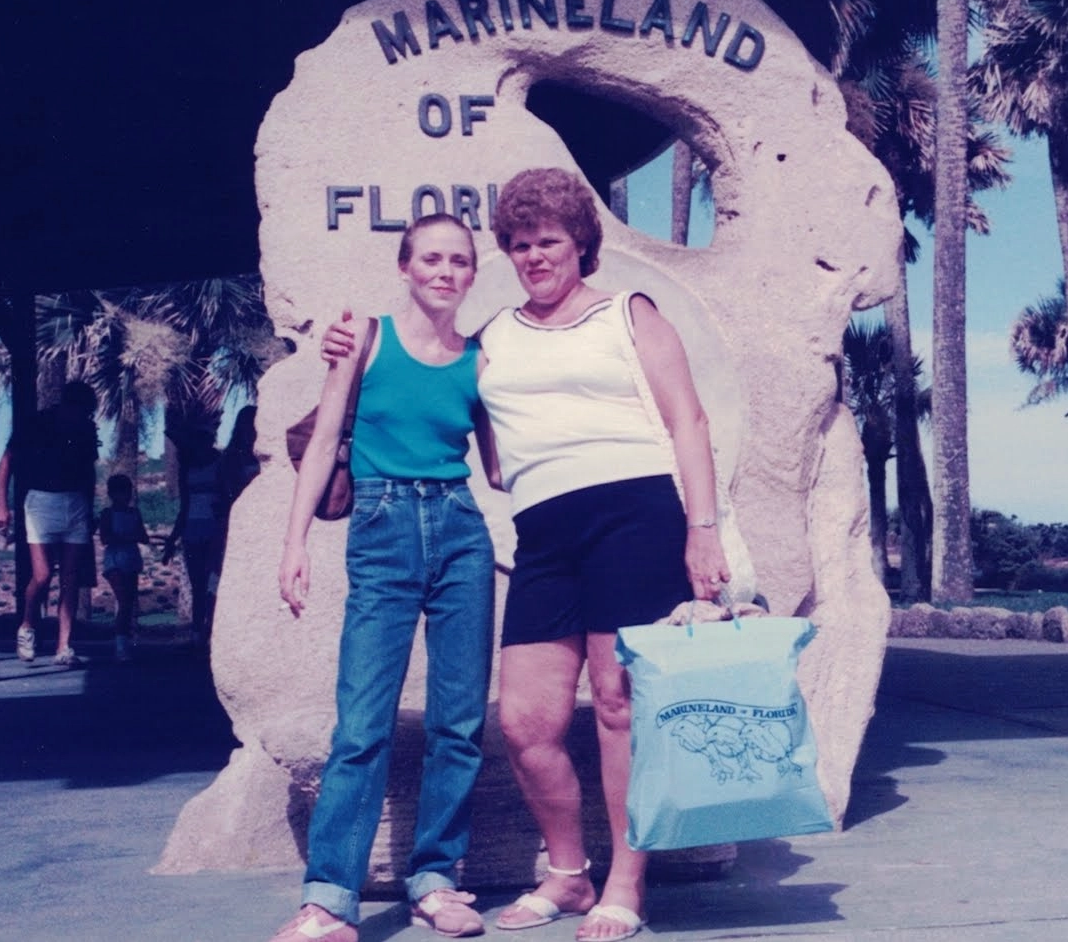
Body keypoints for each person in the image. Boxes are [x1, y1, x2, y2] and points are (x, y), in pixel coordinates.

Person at [323, 167, 730, 942]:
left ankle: (625, 881)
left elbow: (689, 422)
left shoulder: (628, 314)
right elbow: (419, 369)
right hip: (544, 534)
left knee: (617, 706)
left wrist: (701, 529)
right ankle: (568, 875)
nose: (534, 256)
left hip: (634, 518)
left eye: (548, 241)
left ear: (580, 243)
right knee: (523, 722)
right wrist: (345, 347)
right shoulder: (494, 338)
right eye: (518, 245)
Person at [270, 213, 497, 942]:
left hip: (462, 530)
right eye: (430, 258)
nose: (444, 271)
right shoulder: (364, 338)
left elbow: (497, 463)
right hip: (381, 526)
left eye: (458, 261)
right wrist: (295, 541)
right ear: (405, 266)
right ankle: (329, 899)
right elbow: (326, 439)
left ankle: (436, 878)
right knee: (362, 724)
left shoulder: (481, 357)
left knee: (458, 723)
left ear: (471, 273)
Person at [0, 380, 101, 667]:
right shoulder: (35, 424)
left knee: (70, 578)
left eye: (87, 413)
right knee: (42, 576)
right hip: (40, 502)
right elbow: (6, 463)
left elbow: (89, 472)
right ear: (67, 405)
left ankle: (64, 646)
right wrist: (1, 506)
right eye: (80, 411)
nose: (83, 417)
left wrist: (89, 510)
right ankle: (27, 625)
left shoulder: (86, 429)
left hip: (76, 503)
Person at [163, 425, 224, 650]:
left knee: (213, 584)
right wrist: (171, 540)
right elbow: (184, 506)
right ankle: (198, 632)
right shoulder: (187, 469)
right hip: (191, 530)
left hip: (214, 529)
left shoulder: (220, 463)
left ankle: (213, 630)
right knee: (198, 584)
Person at [98, 473, 148, 662]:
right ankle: (120, 647)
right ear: (111, 494)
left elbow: (143, 535)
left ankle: (124, 640)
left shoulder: (134, 513)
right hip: (115, 560)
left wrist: (133, 536)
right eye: (119, 493)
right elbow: (105, 538)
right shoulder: (107, 514)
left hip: (131, 558)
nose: (124, 497)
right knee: (123, 600)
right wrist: (129, 537)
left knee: (128, 602)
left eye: (126, 492)